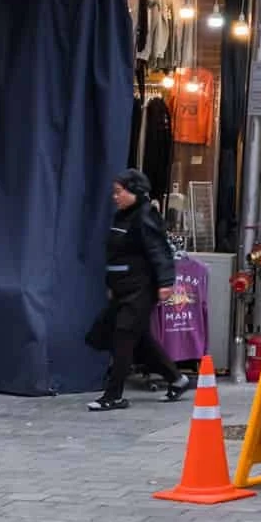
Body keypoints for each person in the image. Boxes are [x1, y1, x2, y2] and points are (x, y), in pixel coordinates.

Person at [87, 169, 185, 410]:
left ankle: (113, 396)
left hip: (140, 289)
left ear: (134, 192)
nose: (115, 197)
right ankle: (176, 378)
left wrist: (165, 283)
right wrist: (112, 285)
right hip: (122, 288)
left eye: (119, 192)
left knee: (123, 337)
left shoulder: (145, 216)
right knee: (138, 339)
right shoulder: (121, 217)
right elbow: (116, 254)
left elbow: (159, 251)